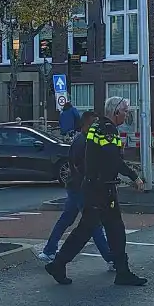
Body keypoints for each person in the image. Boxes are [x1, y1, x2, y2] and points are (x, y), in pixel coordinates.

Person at [46, 96, 147, 287]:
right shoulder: (107, 130)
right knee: (105, 229)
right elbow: (113, 159)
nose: (127, 114)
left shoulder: (98, 127)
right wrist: (134, 176)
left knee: (99, 229)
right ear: (115, 111)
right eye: (125, 110)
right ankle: (61, 264)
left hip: (97, 187)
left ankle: (60, 264)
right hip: (101, 189)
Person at [38, 111, 115, 271]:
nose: (97, 126)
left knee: (67, 219)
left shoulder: (83, 140)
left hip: (75, 187)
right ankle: (110, 258)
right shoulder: (83, 142)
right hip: (81, 188)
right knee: (94, 224)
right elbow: (83, 167)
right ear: (86, 125)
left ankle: (49, 250)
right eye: (94, 123)